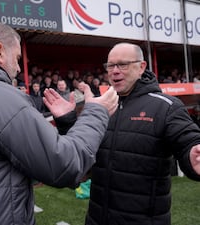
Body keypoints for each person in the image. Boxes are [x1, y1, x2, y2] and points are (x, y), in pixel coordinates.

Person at [0, 21, 119, 225]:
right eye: (18, 58)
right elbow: (64, 166)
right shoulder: (1, 98)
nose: (19, 68)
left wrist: (66, 121)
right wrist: (96, 113)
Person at [82, 42, 200, 225]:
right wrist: (66, 121)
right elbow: (83, 152)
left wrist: (192, 154)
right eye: (110, 65)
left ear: (141, 67)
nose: (115, 71)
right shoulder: (101, 106)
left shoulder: (166, 106)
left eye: (122, 64)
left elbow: (187, 139)